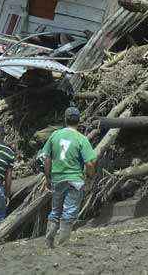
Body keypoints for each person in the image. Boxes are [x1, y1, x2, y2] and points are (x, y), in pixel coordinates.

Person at [42, 105, 97, 248]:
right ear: (79, 121)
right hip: (75, 180)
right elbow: (90, 164)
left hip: (57, 179)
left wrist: (48, 177)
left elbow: (46, 157)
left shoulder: (55, 135)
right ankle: (63, 243)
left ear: (65, 120)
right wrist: (91, 178)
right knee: (69, 211)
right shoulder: (81, 139)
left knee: (55, 211)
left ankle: (48, 241)